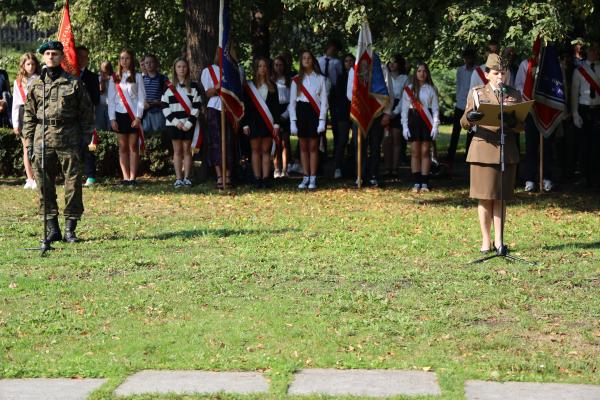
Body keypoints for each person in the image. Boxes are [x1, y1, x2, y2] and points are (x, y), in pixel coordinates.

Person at [22, 40, 94, 243]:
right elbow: (29, 114)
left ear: (62, 57)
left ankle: (70, 230)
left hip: (69, 137)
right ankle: (53, 229)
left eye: (55, 53)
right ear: (43, 57)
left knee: (73, 185)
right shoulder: (36, 84)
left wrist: (85, 138)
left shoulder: (74, 83)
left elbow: (87, 113)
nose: (51, 57)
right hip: (42, 137)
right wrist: (28, 141)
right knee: (44, 185)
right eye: (48, 54)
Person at [461, 54, 524, 253]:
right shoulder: (477, 92)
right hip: (483, 149)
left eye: (503, 73)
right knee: (485, 196)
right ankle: (486, 240)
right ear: (487, 75)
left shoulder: (513, 94)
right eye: (496, 73)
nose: (500, 77)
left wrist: (515, 122)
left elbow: (521, 125)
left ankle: (499, 241)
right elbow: (463, 122)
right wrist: (470, 118)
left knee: (501, 197)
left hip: (506, 150)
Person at [515, 47, 555, 192]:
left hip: (546, 110)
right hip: (531, 110)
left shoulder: (550, 65)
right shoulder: (525, 65)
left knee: (548, 146)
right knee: (531, 146)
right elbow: (519, 85)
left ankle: (547, 178)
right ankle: (530, 179)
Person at [289, 50, 328, 190]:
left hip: (314, 113)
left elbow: (324, 102)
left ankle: (313, 177)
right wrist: (293, 121)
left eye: (308, 58)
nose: (306, 60)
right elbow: (292, 103)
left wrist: (322, 120)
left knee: (313, 147)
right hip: (301, 112)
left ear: (313, 60)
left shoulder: (320, 78)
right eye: (303, 58)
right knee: (303, 147)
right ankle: (305, 177)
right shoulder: (296, 80)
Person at [161, 57, 202, 188]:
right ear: (175, 69)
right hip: (174, 124)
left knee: (187, 150)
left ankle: (187, 178)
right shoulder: (168, 86)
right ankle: (178, 178)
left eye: (184, 66)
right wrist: (175, 122)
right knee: (177, 151)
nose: (182, 69)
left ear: (188, 68)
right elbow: (164, 105)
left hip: (188, 123)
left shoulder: (194, 86)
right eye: (179, 67)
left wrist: (189, 123)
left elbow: (197, 106)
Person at [107, 49, 146, 185]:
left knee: (133, 146)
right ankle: (125, 177)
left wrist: (138, 117)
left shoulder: (138, 76)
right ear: (119, 61)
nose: (124, 61)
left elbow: (142, 98)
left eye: (127, 58)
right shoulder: (114, 77)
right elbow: (111, 100)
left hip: (133, 115)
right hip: (119, 114)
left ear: (131, 60)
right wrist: (112, 118)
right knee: (122, 147)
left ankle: (133, 178)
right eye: (122, 58)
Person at [242, 57, 280, 188]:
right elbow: (245, 106)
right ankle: (257, 178)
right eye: (260, 66)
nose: (262, 68)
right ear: (256, 69)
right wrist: (245, 124)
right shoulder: (249, 86)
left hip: (267, 122)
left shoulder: (273, 86)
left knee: (265, 150)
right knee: (255, 150)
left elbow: (276, 107)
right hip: (253, 122)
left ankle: (265, 178)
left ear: (268, 69)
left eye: (265, 66)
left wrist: (276, 124)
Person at [401, 62, 440, 192]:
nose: (421, 73)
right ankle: (416, 182)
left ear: (427, 73)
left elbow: (435, 109)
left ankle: (424, 182)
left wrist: (435, 125)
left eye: (424, 71)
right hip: (413, 121)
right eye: (419, 71)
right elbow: (404, 110)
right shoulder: (409, 89)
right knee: (415, 152)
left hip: (426, 122)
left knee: (425, 152)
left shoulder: (431, 89)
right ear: (415, 73)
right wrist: (405, 126)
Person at [201, 52, 233, 189]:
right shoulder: (208, 71)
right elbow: (207, 93)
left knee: (230, 142)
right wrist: (217, 87)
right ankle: (219, 175)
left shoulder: (235, 70)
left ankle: (228, 175)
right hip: (214, 108)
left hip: (230, 109)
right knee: (215, 142)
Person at [571, 41, 600, 188]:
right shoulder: (579, 70)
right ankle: (584, 176)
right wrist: (575, 113)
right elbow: (574, 93)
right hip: (583, 109)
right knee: (583, 145)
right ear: (587, 52)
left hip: (598, 110)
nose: (594, 53)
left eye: (596, 51)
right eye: (592, 50)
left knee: (596, 146)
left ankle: (595, 177)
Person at [11, 52, 41, 190]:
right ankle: (29, 178)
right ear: (23, 65)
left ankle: (38, 176)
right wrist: (16, 124)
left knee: (38, 146)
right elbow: (15, 103)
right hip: (24, 113)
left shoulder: (40, 78)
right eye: (28, 64)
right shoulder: (18, 82)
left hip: (38, 113)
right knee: (26, 147)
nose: (31, 66)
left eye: (33, 64)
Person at [447, 48, 476, 169]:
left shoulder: (477, 71)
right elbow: (459, 86)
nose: (468, 60)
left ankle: (468, 156)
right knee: (455, 132)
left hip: (471, 105)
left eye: (470, 57)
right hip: (460, 104)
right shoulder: (460, 70)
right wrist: (459, 100)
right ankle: (450, 156)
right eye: (466, 57)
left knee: (471, 132)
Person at [77, 46, 101, 187]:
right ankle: (74, 176)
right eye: (79, 56)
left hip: (87, 118)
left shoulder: (92, 77)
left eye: (85, 56)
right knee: (72, 149)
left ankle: (90, 176)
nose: (82, 59)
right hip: (71, 118)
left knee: (89, 148)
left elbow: (96, 99)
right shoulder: (67, 75)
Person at [385, 54, 410, 177]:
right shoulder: (385, 76)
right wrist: (386, 111)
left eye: (394, 62)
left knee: (396, 140)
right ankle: (387, 168)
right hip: (385, 108)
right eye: (390, 62)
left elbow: (405, 97)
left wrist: (395, 112)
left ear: (399, 64)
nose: (392, 64)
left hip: (398, 109)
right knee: (386, 140)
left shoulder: (405, 78)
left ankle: (395, 169)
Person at [318, 40, 343, 161]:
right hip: (321, 92)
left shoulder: (337, 62)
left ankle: (336, 149)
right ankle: (322, 147)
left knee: (334, 119)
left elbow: (339, 76)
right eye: (331, 49)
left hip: (333, 92)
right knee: (321, 119)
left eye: (334, 50)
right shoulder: (319, 60)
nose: (332, 51)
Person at [333, 53, 356, 179]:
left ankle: (353, 166)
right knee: (342, 140)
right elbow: (338, 97)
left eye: (351, 60)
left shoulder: (359, 77)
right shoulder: (341, 78)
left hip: (356, 112)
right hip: (343, 113)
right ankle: (337, 167)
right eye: (346, 61)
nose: (349, 63)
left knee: (356, 141)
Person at [272, 55, 292, 178]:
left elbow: (292, 99)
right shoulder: (270, 81)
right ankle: (276, 169)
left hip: (285, 110)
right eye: (276, 65)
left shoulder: (288, 80)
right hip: (274, 111)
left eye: (280, 65)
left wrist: (286, 114)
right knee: (276, 141)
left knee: (285, 142)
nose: (278, 67)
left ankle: (285, 169)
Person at [142, 54, 167, 133]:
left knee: (159, 136)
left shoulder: (163, 78)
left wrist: (158, 103)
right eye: (146, 63)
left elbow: (167, 98)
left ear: (156, 63)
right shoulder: (141, 79)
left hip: (158, 112)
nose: (149, 64)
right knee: (146, 137)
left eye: (151, 62)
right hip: (145, 113)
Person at [95, 61, 113, 132]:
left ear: (109, 71)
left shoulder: (113, 79)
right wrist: (102, 80)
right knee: (100, 129)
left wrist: (109, 79)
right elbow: (101, 91)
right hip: (100, 106)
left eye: (104, 71)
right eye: (101, 71)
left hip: (111, 107)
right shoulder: (97, 79)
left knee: (111, 128)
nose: (102, 73)